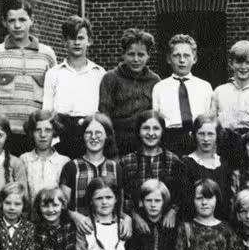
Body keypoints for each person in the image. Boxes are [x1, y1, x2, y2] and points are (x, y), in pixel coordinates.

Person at [0, 0, 57, 155]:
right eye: (11, 20)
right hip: (2, 134)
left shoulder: (47, 55)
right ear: (4, 22)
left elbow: (54, 97)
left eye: (22, 19)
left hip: (35, 134)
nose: (17, 25)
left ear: (32, 20)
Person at [43, 16, 106, 158]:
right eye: (72, 38)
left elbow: (103, 110)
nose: (77, 43)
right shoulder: (53, 74)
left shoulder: (99, 73)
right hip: (62, 134)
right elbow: (47, 110)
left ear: (89, 41)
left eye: (81, 38)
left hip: (89, 133)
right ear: (64, 41)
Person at [99, 28, 161, 156]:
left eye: (141, 55)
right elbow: (105, 115)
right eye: (131, 54)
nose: (136, 59)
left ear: (148, 56)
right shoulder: (110, 78)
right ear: (123, 54)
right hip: (116, 145)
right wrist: (111, 147)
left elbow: (157, 116)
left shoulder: (155, 81)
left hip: (145, 144)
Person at [151, 34, 215, 156]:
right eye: (176, 55)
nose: (182, 60)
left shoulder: (205, 87)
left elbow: (210, 118)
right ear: (169, 59)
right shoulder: (159, 87)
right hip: (170, 140)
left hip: (198, 138)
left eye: (186, 55)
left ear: (194, 59)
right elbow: (156, 119)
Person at [59, 114, 125, 232]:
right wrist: (74, 216)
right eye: (88, 133)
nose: (93, 137)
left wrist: (127, 219)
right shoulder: (71, 167)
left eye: (98, 133)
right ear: (82, 136)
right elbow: (62, 206)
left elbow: (120, 207)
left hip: (109, 232)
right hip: (79, 232)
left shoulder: (116, 168)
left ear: (107, 135)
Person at [119, 110, 183, 229]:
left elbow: (179, 193)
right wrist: (134, 217)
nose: (151, 133)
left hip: (166, 223)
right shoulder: (127, 161)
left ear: (162, 131)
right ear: (138, 131)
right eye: (146, 128)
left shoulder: (173, 160)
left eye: (156, 128)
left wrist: (173, 211)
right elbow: (125, 196)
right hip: (137, 224)